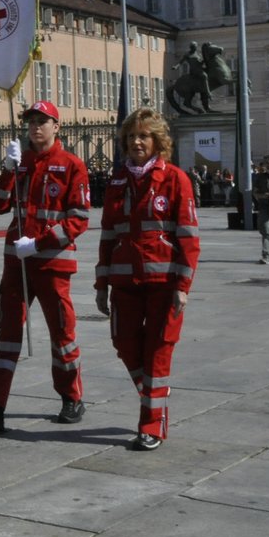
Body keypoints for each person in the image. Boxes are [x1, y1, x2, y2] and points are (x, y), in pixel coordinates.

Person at [0, 100, 91, 433]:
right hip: (16, 263)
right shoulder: (20, 163)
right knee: (8, 334)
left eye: (42, 121)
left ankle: (71, 397)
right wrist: (7, 169)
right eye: (31, 121)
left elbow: (79, 219)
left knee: (62, 334)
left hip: (52, 263)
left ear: (56, 126)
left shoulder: (72, 165)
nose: (35, 127)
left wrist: (41, 243)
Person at [94, 108, 201, 450]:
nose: (137, 142)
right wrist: (101, 283)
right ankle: (156, 398)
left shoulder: (175, 179)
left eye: (144, 136)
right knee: (125, 346)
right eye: (131, 137)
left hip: (163, 285)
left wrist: (183, 287)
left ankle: (151, 423)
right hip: (124, 284)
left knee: (157, 353)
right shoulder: (116, 182)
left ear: (158, 141)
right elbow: (108, 235)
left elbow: (188, 237)